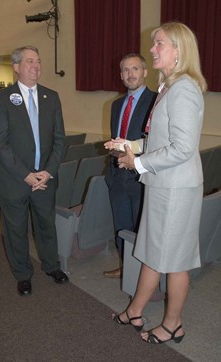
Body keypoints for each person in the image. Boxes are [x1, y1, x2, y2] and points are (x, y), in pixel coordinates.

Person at [105, 22, 207, 343]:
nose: (152, 49)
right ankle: (135, 310)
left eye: (159, 44)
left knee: (175, 262)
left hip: (176, 190)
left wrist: (138, 162)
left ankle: (173, 323)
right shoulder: (169, 87)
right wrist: (130, 145)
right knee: (151, 253)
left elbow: (182, 148)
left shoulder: (185, 89)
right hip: (163, 186)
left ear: (177, 51)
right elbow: (161, 140)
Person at [0, 46, 69, 296]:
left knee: (46, 224)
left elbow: (59, 139)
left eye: (38, 61)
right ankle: (23, 274)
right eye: (29, 61)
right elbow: (0, 144)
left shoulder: (51, 97)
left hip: (45, 178)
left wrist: (48, 171)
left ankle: (51, 265)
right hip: (14, 179)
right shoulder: (2, 99)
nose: (36, 66)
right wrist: (26, 174)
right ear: (16, 67)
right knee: (16, 230)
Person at [103, 53, 157, 278]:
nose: (130, 74)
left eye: (135, 69)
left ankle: (141, 274)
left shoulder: (156, 101)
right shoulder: (116, 105)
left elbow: (157, 142)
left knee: (140, 227)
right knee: (121, 226)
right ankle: (126, 265)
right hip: (117, 176)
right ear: (121, 75)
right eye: (125, 70)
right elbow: (119, 137)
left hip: (140, 176)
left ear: (145, 72)